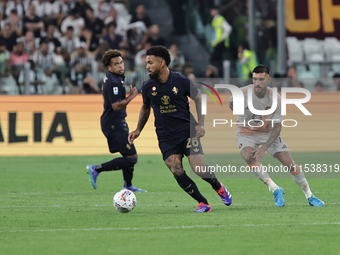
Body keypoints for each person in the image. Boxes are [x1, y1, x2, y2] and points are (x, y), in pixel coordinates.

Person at [128, 45, 232, 212]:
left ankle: (218, 187)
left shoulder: (181, 81)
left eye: (150, 62)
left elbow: (199, 99)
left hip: (187, 131)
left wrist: (201, 124)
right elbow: (145, 108)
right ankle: (203, 203)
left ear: (161, 63)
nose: (147, 66)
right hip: (165, 136)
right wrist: (138, 129)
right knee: (176, 170)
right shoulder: (147, 86)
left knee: (198, 169)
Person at [230, 64, 324, 207]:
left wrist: (264, 147)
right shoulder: (242, 94)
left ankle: (310, 196)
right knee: (248, 157)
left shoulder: (276, 99)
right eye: (255, 79)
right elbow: (231, 103)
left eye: (261, 79)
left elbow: (277, 127)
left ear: (268, 80)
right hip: (246, 132)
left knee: (291, 165)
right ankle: (275, 189)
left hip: (269, 132)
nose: (257, 83)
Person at [87, 49, 146, 193]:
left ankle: (128, 186)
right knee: (132, 158)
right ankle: (96, 169)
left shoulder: (115, 78)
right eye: (116, 64)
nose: (120, 66)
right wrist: (132, 96)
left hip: (116, 121)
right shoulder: (113, 82)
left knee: (128, 155)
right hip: (114, 123)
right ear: (109, 66)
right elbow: (116, 105)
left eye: (121, 63)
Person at [210, 5, 232, 75]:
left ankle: (220, 75)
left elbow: (228, 28)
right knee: (215, 60)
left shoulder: (220, 19)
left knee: (216, 61)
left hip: (221, 44)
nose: (211, 12)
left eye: (213, 10)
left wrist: (222, 38)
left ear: (217, 11)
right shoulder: (214, 21)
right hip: (216, 44)